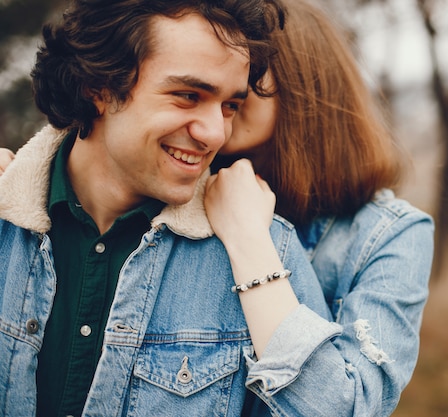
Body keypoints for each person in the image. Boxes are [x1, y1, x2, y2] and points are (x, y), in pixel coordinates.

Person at [0, 1, 345, 416]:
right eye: (188, 96)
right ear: (98, 89)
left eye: (230, 106)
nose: (215, 133)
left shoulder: (267, 250)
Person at [205, 0, 435, 415]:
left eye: (250, 65)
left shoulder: (392, 234)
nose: (226, 82)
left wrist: (250, 241)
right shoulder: (180, 199)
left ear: (303, 81)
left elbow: (352, 406)